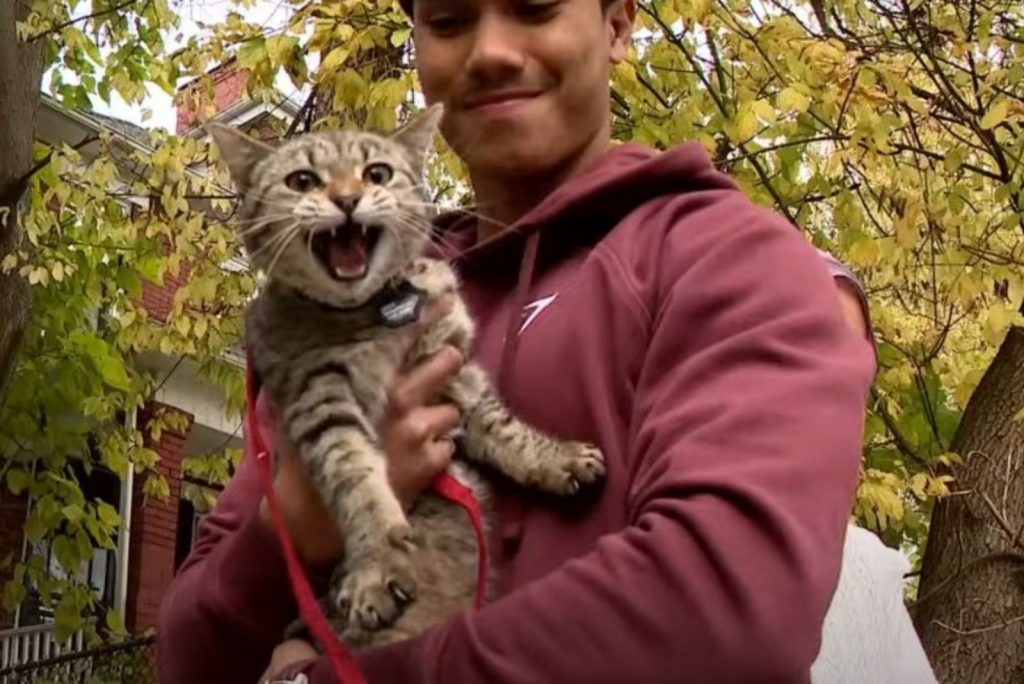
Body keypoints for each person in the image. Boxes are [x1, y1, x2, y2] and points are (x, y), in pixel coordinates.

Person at [157, 0, 880, 681]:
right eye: (448, 20)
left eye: (535, 7)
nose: (491, 52)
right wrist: (299, 522)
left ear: (618, 24)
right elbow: (188, 652)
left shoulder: (730, 259)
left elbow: (730, 614)